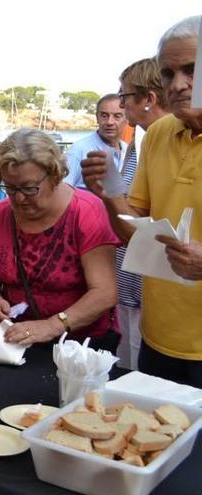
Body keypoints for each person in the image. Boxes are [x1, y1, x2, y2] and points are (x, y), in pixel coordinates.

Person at [81, 15, 202, 386]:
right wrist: (109, 194)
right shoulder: (158, 134)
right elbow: (136, 232)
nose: (179, 85)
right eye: (168, 74)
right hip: (159, 337)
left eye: (192, 70)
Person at [0, 129, 120, 351]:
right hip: (18, 343)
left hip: (81, 347)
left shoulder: (86, 211)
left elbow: (105, 293)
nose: (19, 198)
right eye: (10, 188)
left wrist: (53, 325)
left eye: (29, 188)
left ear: (55, 176)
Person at [112, 58, 171, 370]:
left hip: (156, 288)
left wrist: (109, 192)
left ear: (148, 99)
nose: (121, 107)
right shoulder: (141, 142)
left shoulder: (151, 142)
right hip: (135, 281)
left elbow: (135, 220)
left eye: (124, 97)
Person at [64, 94, 127, 188]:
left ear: (127, 119)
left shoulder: (128, 150)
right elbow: (64, 189)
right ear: (97, 117)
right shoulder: (78, 150)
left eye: (117, 116)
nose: (109, 122)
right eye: (104, 116)